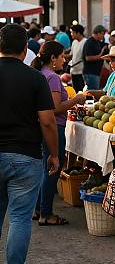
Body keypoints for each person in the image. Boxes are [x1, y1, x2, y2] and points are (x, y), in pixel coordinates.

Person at [0, 24, 58, 264]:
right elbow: (47, 121)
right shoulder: (35, 78)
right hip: (25, 156)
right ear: (25, 49)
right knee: (20, 218)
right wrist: (55, 154)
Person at [32, 41, 87, 225]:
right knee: (52, 169)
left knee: (44, 169)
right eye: (62, 56)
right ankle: (46, 214)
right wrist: (76, 99)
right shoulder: (53, 78)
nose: (65, 59)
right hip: (55, 127)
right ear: (53, 58)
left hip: (42, 127)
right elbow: (55, 108)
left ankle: (39, 208)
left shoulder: (41, 74)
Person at [83, 25, 108, 90]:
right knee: (92, 93)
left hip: (96, 73)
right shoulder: (90, 42)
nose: (103, 36)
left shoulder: (97, 42)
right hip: (90, 73)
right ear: (98, 33)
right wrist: (100, 56)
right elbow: (88, 58)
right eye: (103, 34)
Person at [68, 24, 86, 93]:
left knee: (82, 92)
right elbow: (71, 55)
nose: (71, 34)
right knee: (75, 92)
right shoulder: (74, 42)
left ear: (78, 33)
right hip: (73, 71)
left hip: (81, 71)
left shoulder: (85, 42)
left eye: (72, 32)